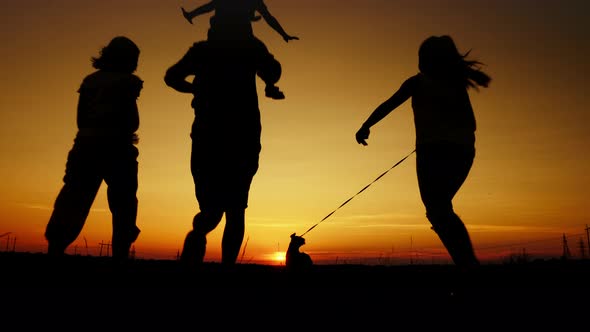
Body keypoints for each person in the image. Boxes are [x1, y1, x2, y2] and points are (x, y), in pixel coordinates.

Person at [355, 35, 491, 268]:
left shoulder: (417, 82)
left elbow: (390, 103)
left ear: (430, 59)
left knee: (437, 209)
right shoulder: (456, 83)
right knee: (440, 209)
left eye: (422, 56)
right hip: (463, 152)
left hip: (434, 152)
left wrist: (366, 125)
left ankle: (468, 265)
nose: (418, 60)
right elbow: (470, 122)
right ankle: (467, 263)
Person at [164, 34, 282, 267]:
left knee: (215, 211)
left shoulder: (203, 49)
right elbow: (273, 70)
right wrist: (269, 79)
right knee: (234, 211)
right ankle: (223, 267)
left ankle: (198, 243)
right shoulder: (250, 46)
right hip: (240, 138)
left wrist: (195, 89)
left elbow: (172, 77)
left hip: (209, 137)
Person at [45, 36, 143, 262]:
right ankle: (120, 253)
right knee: (124, 204)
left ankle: (55, 248)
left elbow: (80, 119)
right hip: (118, 149)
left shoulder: (90, 81)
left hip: (85, 147)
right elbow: (132, 120)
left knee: (73, 199)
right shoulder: (128, 82)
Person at [180, 0, 299, 100]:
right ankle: (269, 85)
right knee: (263, 54)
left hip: (231, 35)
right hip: (229, 36)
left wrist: (283, 34)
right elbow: (210, 7)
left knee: (265, 57)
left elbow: (209, 7)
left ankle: (269, 86)